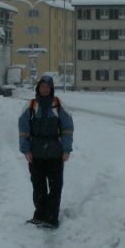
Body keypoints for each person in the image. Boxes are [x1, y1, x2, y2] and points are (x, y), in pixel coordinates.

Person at [18, 75, 73, 228]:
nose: (45, 89)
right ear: (38, 88)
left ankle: (51, 218)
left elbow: (68, 128)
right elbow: (23, 129)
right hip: (36, 154)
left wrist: (66, 150)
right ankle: (39, 215)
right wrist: (25, 150)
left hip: (55, 154)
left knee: (55, 187)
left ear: (51, 89)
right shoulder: (31, 106)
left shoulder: (59, 105)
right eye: (42, 86)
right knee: (39, 187)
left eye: (48, 87)